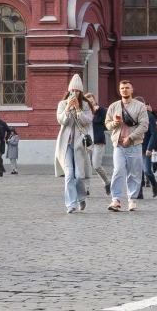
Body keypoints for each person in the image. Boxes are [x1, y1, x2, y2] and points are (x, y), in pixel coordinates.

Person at [104, 80, 149, 212]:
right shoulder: (113, 106)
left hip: (134, 144)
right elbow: (107, 123)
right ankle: (116, 199)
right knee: (118, 171)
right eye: (122, 88)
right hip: (118, 145)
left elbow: (144, 125)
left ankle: (132, 200)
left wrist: (130, 137)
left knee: (133, 173)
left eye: (127, 88)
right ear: (119, 90)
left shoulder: (140, 106)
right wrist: (114, 124)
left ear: (132, 89)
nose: (124, 90)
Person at [54, 75, 94, 214]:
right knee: (69, 174)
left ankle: (81, 197)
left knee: (78, 175)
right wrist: (68, 108)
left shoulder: (86, 105)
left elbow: (86, 122)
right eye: (72, 90)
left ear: (80, 92)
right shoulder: (62, 104)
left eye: (77, 91)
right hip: (65, 145)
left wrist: (78, 109)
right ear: (68, 90)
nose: (74, 93)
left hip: (79, 144)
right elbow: (62, 121)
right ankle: (71, 204)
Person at [83, 93, 112, 195]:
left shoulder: (102, 111)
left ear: (94, 101)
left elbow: (107, 121)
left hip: (98, 141)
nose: (90, 104)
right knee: (86, 166)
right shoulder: (84, 112)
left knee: (96, 165)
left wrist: (97, 111)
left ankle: (107, 182)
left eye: (92, 101)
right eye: (88, 102)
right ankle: (86, 189)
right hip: (87, 142)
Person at [138, 99, 157, 198]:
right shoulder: (133, 115)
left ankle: (154, 183)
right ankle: (139, 193)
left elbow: (153, 133)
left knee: (146, 170)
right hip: (135, 146)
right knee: (138, 171)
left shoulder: (149, 116)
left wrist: (150, 148)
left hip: (145, 146)